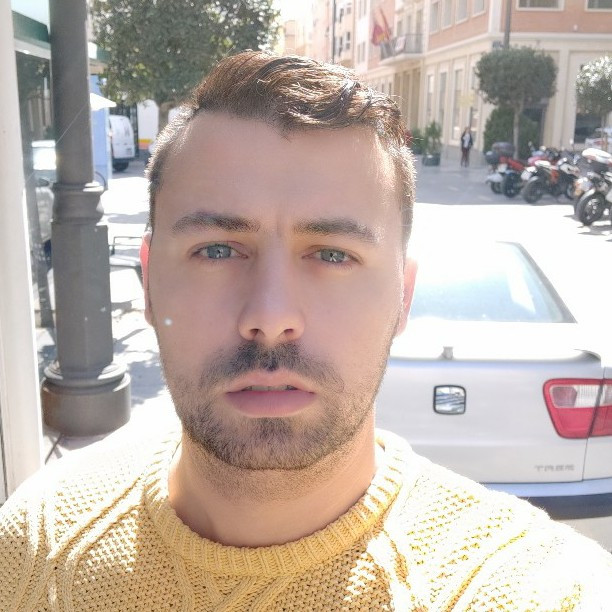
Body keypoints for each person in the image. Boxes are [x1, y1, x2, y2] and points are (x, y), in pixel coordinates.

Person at [1, 51, 611, 611]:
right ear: (150, 281)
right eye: (217, 250)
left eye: (333, 254)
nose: (270, 316)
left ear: (403, 295)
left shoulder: (548, 591)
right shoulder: (33, 545)